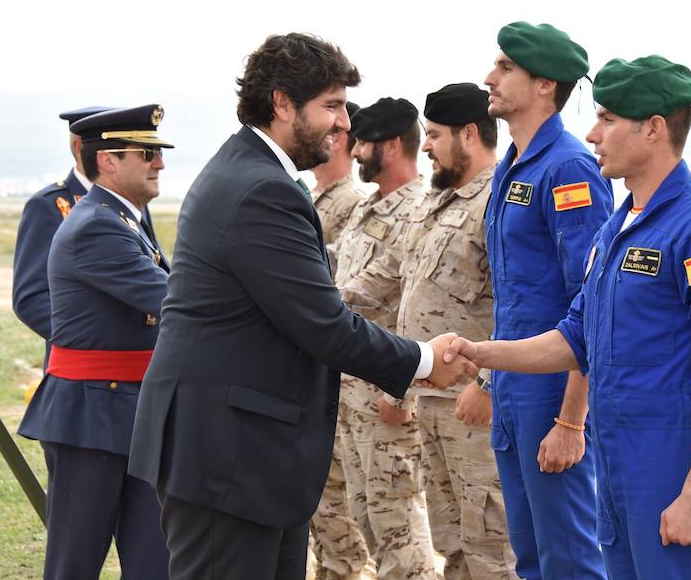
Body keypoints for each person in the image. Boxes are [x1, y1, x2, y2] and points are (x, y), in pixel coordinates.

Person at [127, 33, 473, 580]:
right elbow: (323, 324)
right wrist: (425, 362)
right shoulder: (260, 189)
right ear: (283, 103)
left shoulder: (249, 173)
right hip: (228, 457)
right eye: (331, 106)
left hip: (245, 453)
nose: (343, 124)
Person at [447, 55, 691, 579]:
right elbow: (576, 339)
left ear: (654, 129)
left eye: (608, 119)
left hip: (669, 462)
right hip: (617, 458)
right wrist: (481, 354)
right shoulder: (617, 229)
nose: (593, 133)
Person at [341, 82, 518, 579]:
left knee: (492, 551)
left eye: (435, 135)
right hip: (433, 400)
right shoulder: (436, 202)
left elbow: (520, 304)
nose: (428, 146)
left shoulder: (499, 203)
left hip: (477, 409)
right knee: (452, 548)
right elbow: (393, 281)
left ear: (468, 134)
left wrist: (489, 383)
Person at [18, 104, 174, 580]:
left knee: (153, 560)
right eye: (147, 152)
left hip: (135, 405)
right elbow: (32, 297)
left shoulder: (122, 215)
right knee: (76, 562)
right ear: (108, 159)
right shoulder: (88, 219)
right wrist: (81, 345)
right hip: (90, 407)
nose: (160, 162)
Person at [481, 21, 613, 579]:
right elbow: (511, 291)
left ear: (544, 85)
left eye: (506, 68)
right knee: (532, 554)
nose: (489, 77)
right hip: (515, 382)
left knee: (569, 556)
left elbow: (593, 299)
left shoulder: (567, 168)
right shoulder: (513, 163)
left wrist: (571, 419)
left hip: (553, 389)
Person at [334, 96, 436, 579]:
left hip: (386, 398)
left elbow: (422, 313)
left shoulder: (417, 211)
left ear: (392, 145)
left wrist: (405, 393)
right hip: (351, 396)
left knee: (400, 528)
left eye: (363, 144)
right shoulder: (369, 208)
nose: (353, 153)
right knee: (369, 523)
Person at [308, 99, 371, 580]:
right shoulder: (315, 197)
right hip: (321, 366)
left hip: (348, 366)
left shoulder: (350, 202)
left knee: (343, 514)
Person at [13, 106, 111, 367]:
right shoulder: (49, 205)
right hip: (80, 366)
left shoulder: (132, 202)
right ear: (80, 148)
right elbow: (31, 299)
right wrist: (87, 342)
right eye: (110, 148)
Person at [311, 100, 365, 278]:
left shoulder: (353, 202)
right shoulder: (309, 195)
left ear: (337, 139)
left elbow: (338, 270)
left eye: (317, 132)